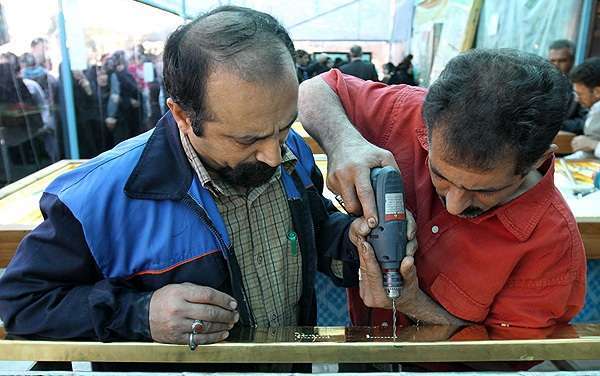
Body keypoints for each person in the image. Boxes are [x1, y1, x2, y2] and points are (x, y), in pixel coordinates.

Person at [0, 6, 364, 357]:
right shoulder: (99, 198)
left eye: (285, 126)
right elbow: (22, 301)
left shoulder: (292, 151)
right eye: (245, 140)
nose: (273, 155)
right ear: (182, 116)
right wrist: (140, 313)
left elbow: (313, 232)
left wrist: (354, 241)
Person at [299, 49, 586, 332]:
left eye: (484, 191)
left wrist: (413, 303)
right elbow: (315, 89)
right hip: (362, 344)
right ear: (428, 126)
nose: (455, 205)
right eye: (439, 174)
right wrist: (344, 142)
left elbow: (504, 356)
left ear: (539, 160)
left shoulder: (552, 244)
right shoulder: (406, 113)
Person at [548, 39, 587, 135]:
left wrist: (557, 124)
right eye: (552, 60)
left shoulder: (582, 86)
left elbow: (586, 121)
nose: (556, 65)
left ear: (572, 61)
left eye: (562, 61)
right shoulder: (542, 83)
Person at [569, 57, 600, 159]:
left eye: (580, 94)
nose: (577, 99)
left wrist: (593, 144)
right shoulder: (595, 109)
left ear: (597, 92)